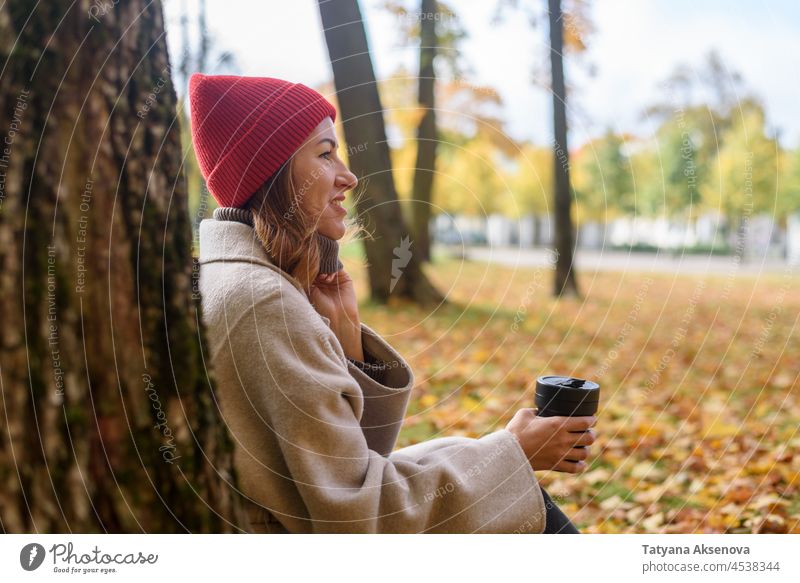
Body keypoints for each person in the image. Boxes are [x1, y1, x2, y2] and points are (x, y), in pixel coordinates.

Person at [189, 73, 596, 534]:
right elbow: (359, 517)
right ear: (274, 173)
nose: (347, 175)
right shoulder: (264, 303)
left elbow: (347, 471)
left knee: (475, 466)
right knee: (518, 499)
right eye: (324, 154)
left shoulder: (236, 281)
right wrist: (514, 454)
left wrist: (347, 346)